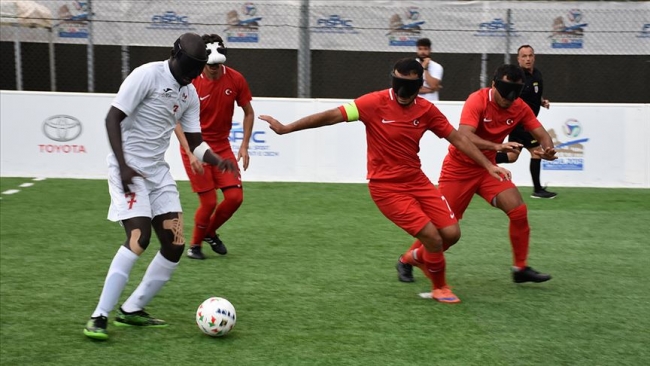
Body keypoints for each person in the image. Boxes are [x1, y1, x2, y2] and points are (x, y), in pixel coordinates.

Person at [259, 58, 512, 304]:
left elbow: (457, 139)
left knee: (452, 233)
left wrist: (488, 164)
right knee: (434, 238)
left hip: (417, 181)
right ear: (392, 80)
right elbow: (330, 116)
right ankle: (440, 288)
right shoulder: (373, 102)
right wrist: (286, 128)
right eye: (398, 84)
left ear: (419, 86)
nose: (403, 91)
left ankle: (411, 258)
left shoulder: (426, 110)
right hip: (386, 188)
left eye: (410, 86)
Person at [83, 33, 236, 341]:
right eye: (191, 67)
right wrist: (123, 164)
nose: (193, 74)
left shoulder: (189, 94)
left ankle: (132, 310)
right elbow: (112, 119)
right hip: (127, 168)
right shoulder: (147, 75)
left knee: (175, 244)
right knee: (139, 238)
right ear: (175, 55)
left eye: (198, 69)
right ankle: (99, 316)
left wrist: (216, 160)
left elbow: (195, 144)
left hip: (157, 173)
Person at [398, 64, 556, 285]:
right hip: (458, 170)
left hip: (488, 170)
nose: (508, 99)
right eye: (504, 92)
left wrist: (548, 149)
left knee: (518, 210)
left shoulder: (519, 106)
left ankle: (520, 268)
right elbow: (464, 136)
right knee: (442, 227)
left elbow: (541, 134)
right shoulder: (477, 100)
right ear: (494, 85)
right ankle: (406, 260)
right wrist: (497, 147)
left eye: (514, 94)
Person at [174, 33, 254, 260]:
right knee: (208, 202)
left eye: (219, 65)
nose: (215, 69)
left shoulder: (236, 79)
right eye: (210, 65)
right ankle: (195, 246)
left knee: (235, 198)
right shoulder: (190, 82)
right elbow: (176, 121)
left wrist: (245, 146)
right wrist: (190, 153)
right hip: (195, 145)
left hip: (221, 145)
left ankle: (208, 232)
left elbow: (248, 112)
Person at [496, 45, 556, 199]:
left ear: (534, 57)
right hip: (521, 123)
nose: (528, 59)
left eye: (530, 55)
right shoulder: (517, 78)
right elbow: (510, 98)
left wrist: (542, 101)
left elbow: (535, 95)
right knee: (536, 152)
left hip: (528, 122)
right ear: (518, 59)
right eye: (524, 56)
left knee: (512, 156)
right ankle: (538, 190)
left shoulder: (537, 74)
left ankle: (482, 159)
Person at [415, 38, 443, 102]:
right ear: (417, 50)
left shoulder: (437, 67)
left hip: (432, 102)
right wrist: (430, 90)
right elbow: (410, 87)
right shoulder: (411, 65)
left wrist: (425, 68)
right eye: (420, 49)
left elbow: (433, 85)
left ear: (430, 50)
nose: (422, 52)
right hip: (415, 102)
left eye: (425, 49)